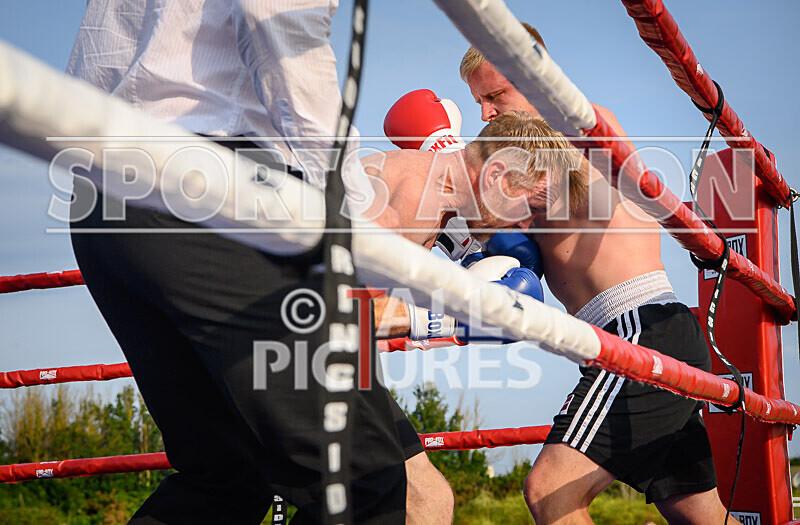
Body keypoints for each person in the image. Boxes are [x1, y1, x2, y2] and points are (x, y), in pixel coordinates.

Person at [66, 1, 453, 523]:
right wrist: (355, 207)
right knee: (364, 479)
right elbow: (281, 25)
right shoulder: (425, 174)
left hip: (103, 203)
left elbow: (103, 49)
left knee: (227, 477)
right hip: (211, 189)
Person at [458, 23, 739, 525]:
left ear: (532, 70)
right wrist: (461, 232)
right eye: (478, 101)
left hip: (641, 330)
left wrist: (469, 198)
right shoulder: (518, 164)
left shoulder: (582, 126)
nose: (486, 112)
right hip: (635, 335)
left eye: (496, 94)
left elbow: (564, 187)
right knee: (702, 515)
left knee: (550, 490)